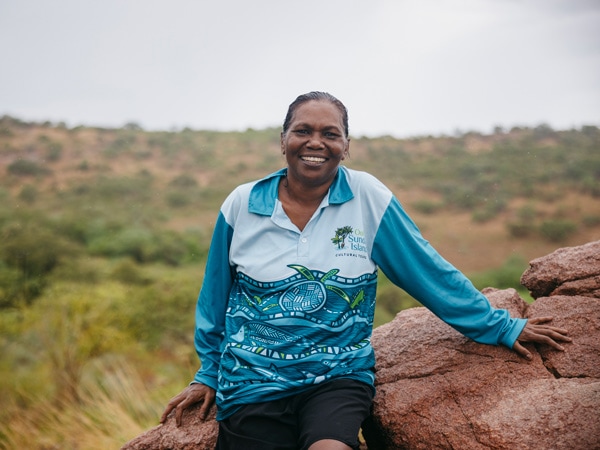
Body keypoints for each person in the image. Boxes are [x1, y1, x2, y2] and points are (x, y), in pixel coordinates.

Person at [160, 91, 571, 450]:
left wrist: (496, 326)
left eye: (330, 133)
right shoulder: (241, 205)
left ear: (346, 144)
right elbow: (215, 298)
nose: (315, 142)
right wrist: (208, 374)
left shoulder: (367, 198)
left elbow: (425, 271)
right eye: (302, 130)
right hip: (253, 381)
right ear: (283, 139)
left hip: (338, 375)